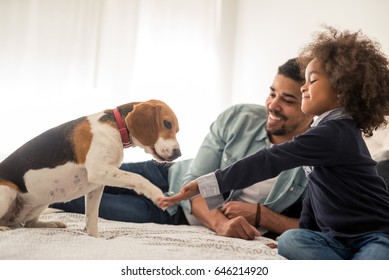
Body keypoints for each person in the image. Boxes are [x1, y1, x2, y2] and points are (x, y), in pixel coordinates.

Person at [158, 26, 389, 260]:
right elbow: (317, 193)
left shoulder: (336, 133)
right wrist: (306, 230)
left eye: (313, 81)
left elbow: (270, 160)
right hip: (336, 239)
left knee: (376, 256)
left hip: (373, 233)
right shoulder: (323, 131)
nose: (303, 87)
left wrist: (210, 183)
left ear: (341, 90)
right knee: (290, 240)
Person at [51, 58, 314, 240]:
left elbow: (320, 226)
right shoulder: (238, 118)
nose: (273, 105)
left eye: (287, 100)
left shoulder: (318, 156)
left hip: (173, 214)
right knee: (74, 174)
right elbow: (195, 181)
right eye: (272, 93)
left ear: (310, 106)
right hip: (167, 175)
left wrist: (264, 216)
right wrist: (221, 225)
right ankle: (13, 175)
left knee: (68, 198)